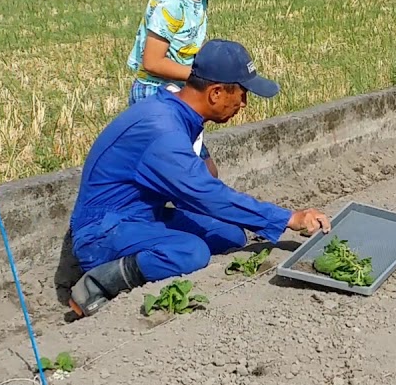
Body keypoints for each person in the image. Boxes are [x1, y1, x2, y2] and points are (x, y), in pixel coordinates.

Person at [67, 39, 331, 318]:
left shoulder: (175, 110)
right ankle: (98, 283)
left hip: (142, 216)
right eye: (242, 94)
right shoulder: (163, 132)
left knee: (228, 234)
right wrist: (289, 219)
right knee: (191, 252)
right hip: (102, 232)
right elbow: (205, 194)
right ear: (216, 92)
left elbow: (201, 187)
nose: (243, 104)